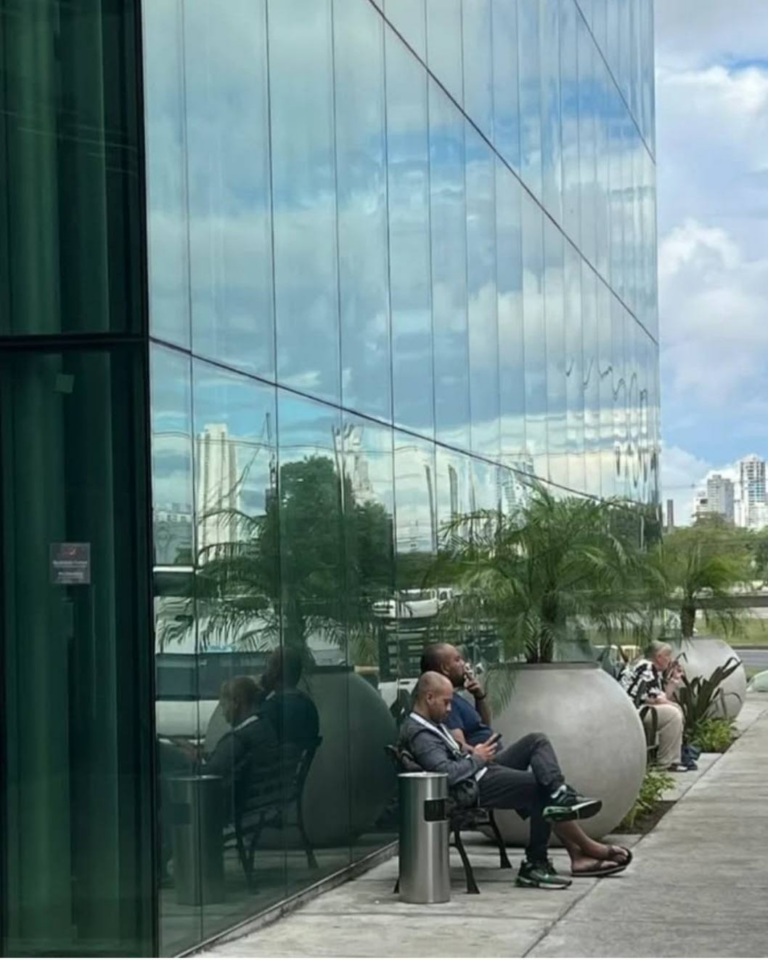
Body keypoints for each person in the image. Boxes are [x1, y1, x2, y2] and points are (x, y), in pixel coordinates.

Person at [419, 643, 633, 880]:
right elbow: (459, 746)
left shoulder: (452, 700)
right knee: (542, 785)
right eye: (458, 660)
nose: (464, 664)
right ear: (444, 668)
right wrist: (479, 755)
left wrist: (479, 697)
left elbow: (483, 726)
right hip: (484, 767)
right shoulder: (442, 704)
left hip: (489, 763)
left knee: (537, 745)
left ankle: (568, 819)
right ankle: (575, 848)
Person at [619, 640, 692, 772]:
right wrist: (675, 706)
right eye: (668, 656)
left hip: (637, 708)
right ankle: (666, 762)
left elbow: (661, 696)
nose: (670, 660)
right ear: (659, 657)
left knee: (673, 711)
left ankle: (673, 759)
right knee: (673, 714)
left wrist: (674, 680)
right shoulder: (646, 667)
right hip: (631, 710)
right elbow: (655, 699)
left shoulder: (652, 670)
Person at [256, 648, 320, 746]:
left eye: (267, 666)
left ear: (275, 671)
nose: (264, 673)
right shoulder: (308, 705)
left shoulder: (271, 708)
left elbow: (253, 740)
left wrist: (259, 697)